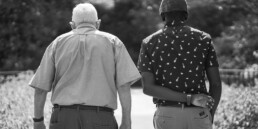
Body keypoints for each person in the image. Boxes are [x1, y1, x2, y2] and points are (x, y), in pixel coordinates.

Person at [29, 3, 141, 129]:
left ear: (72, 25)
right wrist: (126, 122)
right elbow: (124, 85)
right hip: (101, 118)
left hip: (63, 119)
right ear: (98, 23)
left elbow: (40, 89)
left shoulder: (57, 43)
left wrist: (38, 121)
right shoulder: (114, 43)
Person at [137, 0, 222, 129]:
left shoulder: (149, 42)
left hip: (167, 115)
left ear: (163, 16)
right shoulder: (204, 39)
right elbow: (215, 83)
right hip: (198, 113)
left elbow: (148, 87)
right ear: (186, 15)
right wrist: (210, 113)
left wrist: (188, 98)